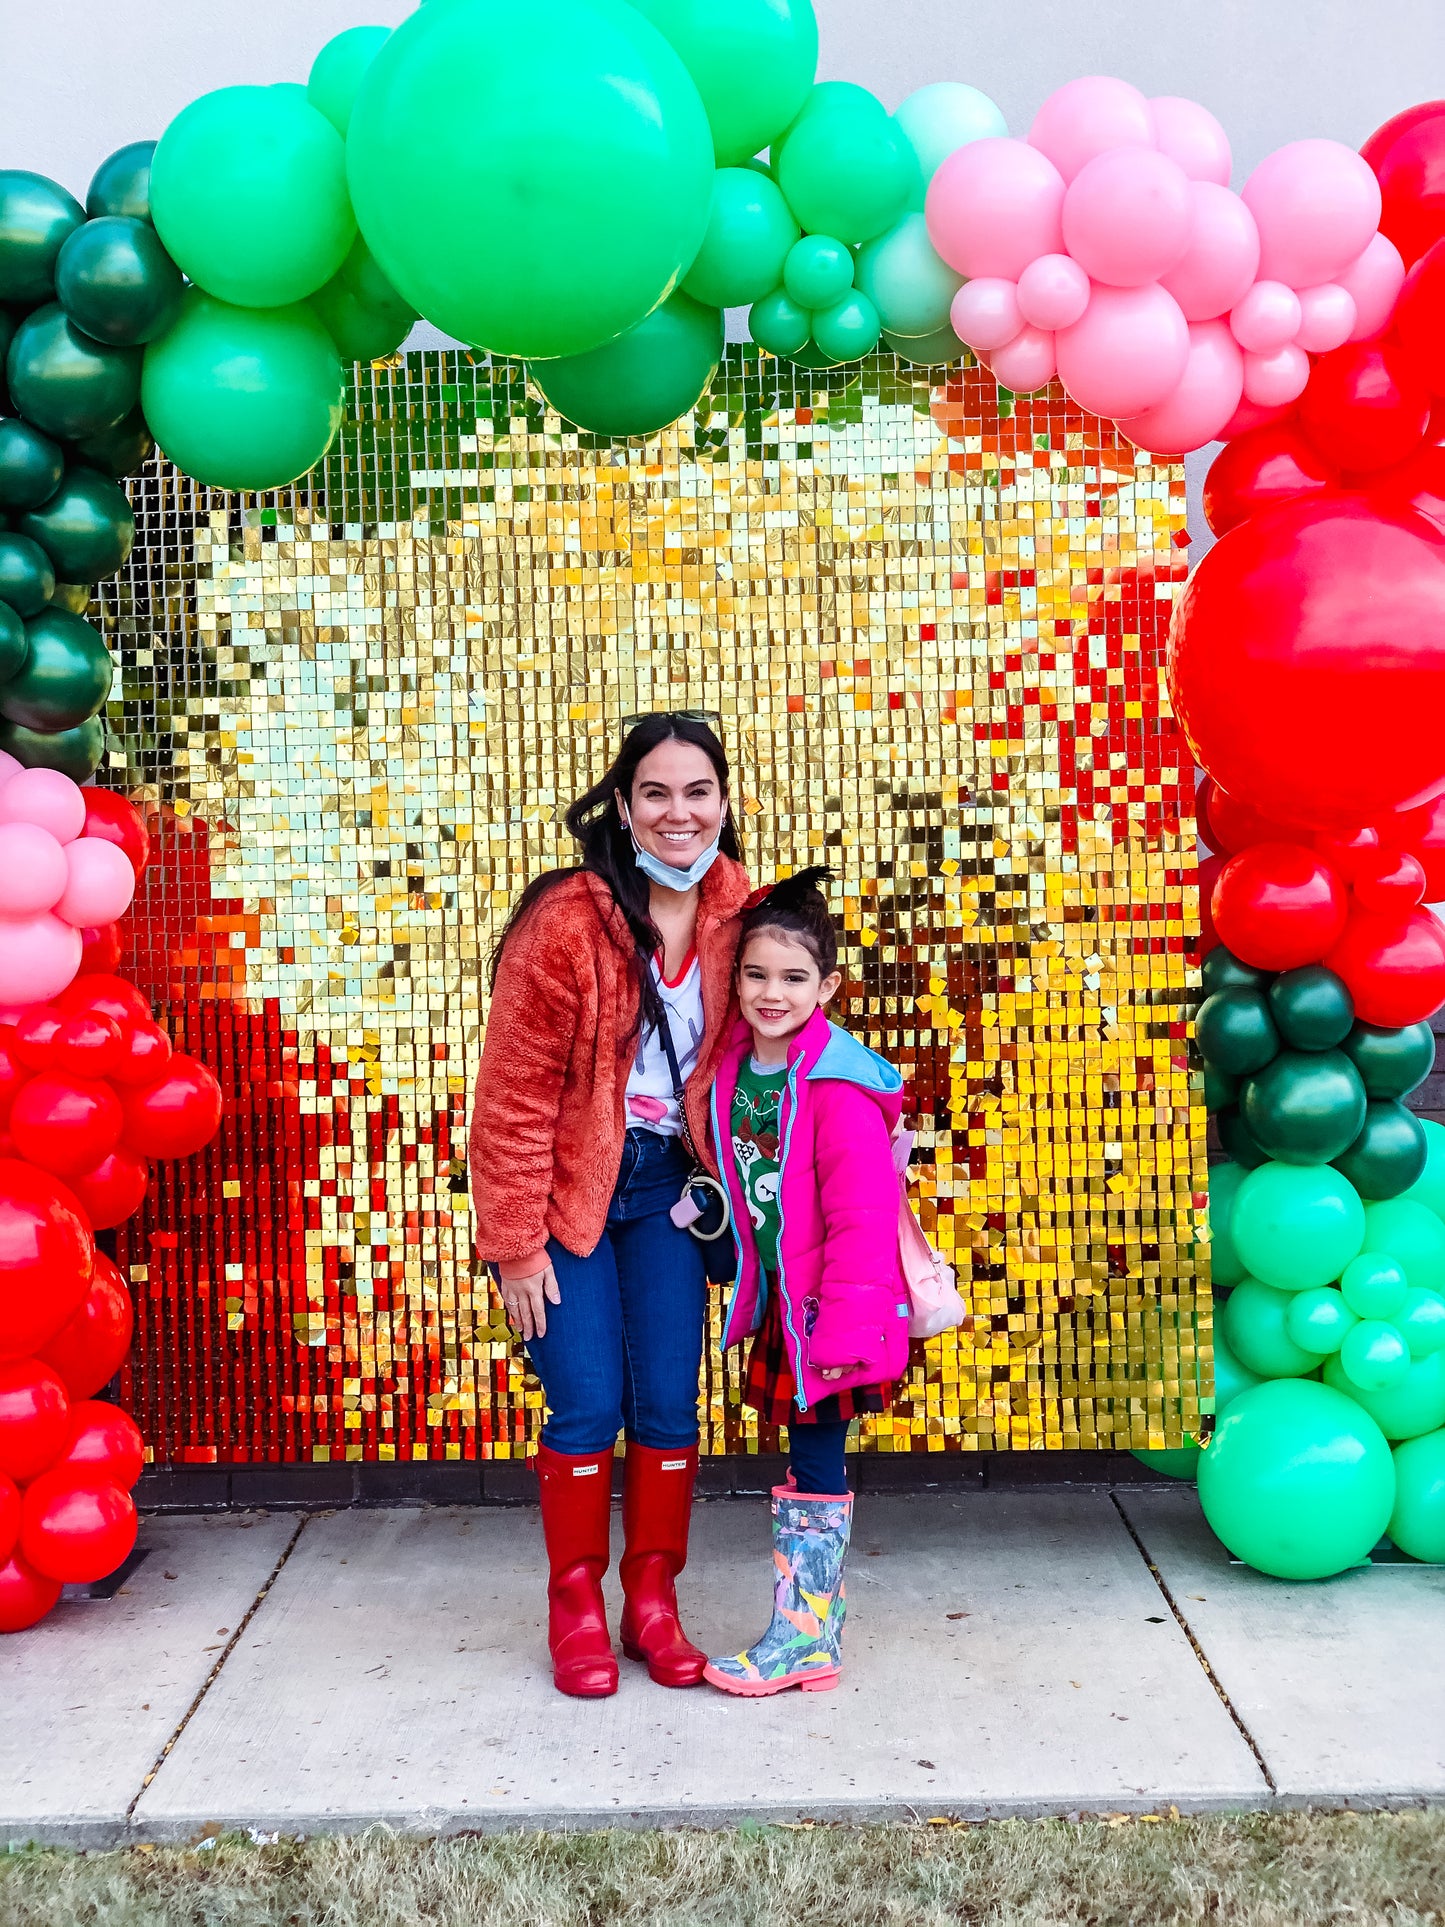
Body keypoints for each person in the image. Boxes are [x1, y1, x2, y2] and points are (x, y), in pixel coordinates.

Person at [470, 713, 750, 1698]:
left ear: (722, 801)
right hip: (570, 1198)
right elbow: (509, 1097)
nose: (679, 813)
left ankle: (652, 1601)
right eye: (656, 793)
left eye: (696, 792)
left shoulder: (737, 915)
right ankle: (575, 1604)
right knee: (586, 1401)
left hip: (673, 1195)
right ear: (623, 807)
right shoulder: (568, 921)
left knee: (670, 1402)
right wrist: (512, 1245)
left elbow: (781, 1045)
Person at [702, 868, 911, 1697]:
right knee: (803, 1462)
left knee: (817, 1461)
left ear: (826, 986)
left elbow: (862, 1222)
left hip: (829, 1318)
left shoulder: (837, 1088)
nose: (770, 992)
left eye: (792, 977)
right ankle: (810, 1629)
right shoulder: (732, 1072)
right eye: (754, 974)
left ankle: (803, 1638)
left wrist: (843, 1336)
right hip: (785, 1311)